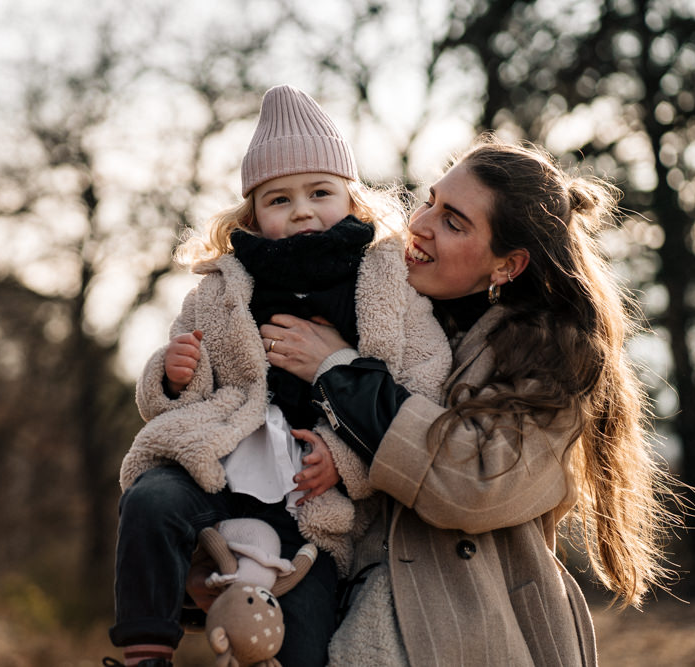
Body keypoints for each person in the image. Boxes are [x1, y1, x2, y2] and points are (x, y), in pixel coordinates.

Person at [259, 136, 679, 665]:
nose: (421, 223)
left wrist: (341, 372)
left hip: (485, 638)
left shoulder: (551, 361)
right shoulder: (385, 317)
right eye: (431, 200)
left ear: (508, 265)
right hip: (354, 626)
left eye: (454, 222)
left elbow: (475, 484)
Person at [106, 85, 451, 666]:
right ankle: (146, 653)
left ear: (352, 197)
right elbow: (180, 390)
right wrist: (171, 376)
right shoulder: (222, 287)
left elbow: (422, 386)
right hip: (216, 467)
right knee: (150, 500)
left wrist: (342, 459)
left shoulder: (386, 282)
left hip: (306, 501)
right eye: (279, 199)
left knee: (304, 629)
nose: (302, 211)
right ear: (253, 215)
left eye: (320, 192)